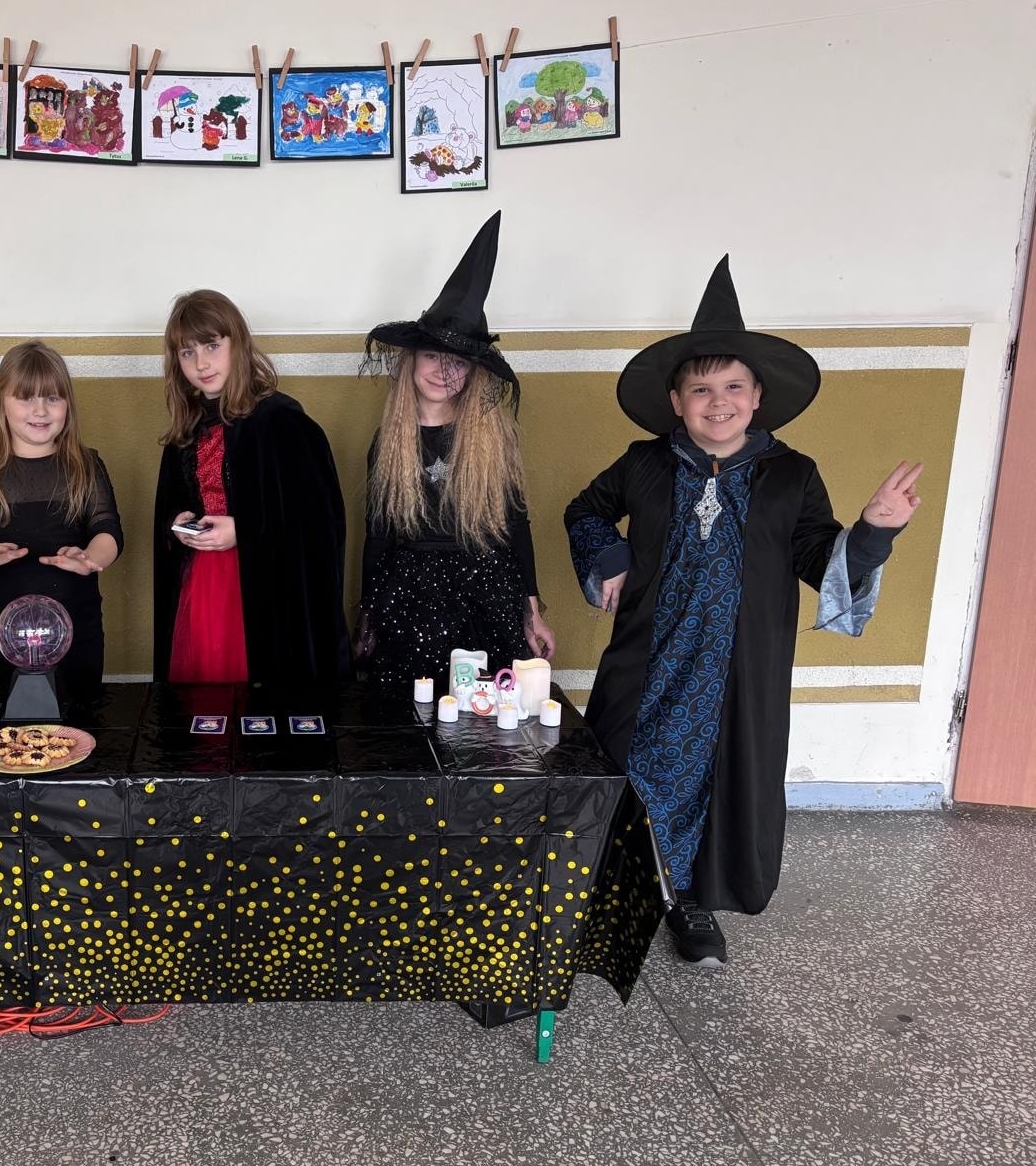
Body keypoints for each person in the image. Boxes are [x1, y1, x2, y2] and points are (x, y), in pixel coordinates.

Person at [564, 255, 922, 968]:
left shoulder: (792, 475)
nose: (717, 402)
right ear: (676, 400)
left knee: (718, 782)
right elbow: (586, 510)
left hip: (737, 671)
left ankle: (692, 903)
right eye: (700, 389)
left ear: (758, 397)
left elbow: (820, 557)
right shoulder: (643, 463)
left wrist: (873, 532)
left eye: (733, 387)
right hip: (650, 662)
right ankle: (614, 895)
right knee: (629, 770)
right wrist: (610, 557)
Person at [358, 212, 555, 691]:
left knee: (482, 710)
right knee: (410, 707)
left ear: (473, 373)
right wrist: (366, 613)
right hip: (409, 595)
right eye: (432, 356)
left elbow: (516, 524)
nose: (443, 372)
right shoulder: (388, 442)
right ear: (412, 360)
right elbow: (378, 535)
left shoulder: (495, 438)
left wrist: (532, 610)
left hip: (486, 588)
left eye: (458, 363)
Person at [152, 289, 350, 685]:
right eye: (187, 352)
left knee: (253, 694)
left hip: (260, 587)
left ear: (237, 343)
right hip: (201, 583)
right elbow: (174, 503)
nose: (201, 363)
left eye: (212, 345)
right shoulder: (187, 431)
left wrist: (245, 530)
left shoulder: (283, 422)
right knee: (206, 690)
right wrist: (179, 522)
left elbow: (318, 522)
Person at [0, 341, 123, 703]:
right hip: (3, 632)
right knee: (10, 724)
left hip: (77, 627)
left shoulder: (86, 465)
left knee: (79, 717)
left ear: (68, 403)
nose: (40, 410)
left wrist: (90, 559)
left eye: (53, 398)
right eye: (25, 398)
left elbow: (109, 533)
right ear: (0, 402)